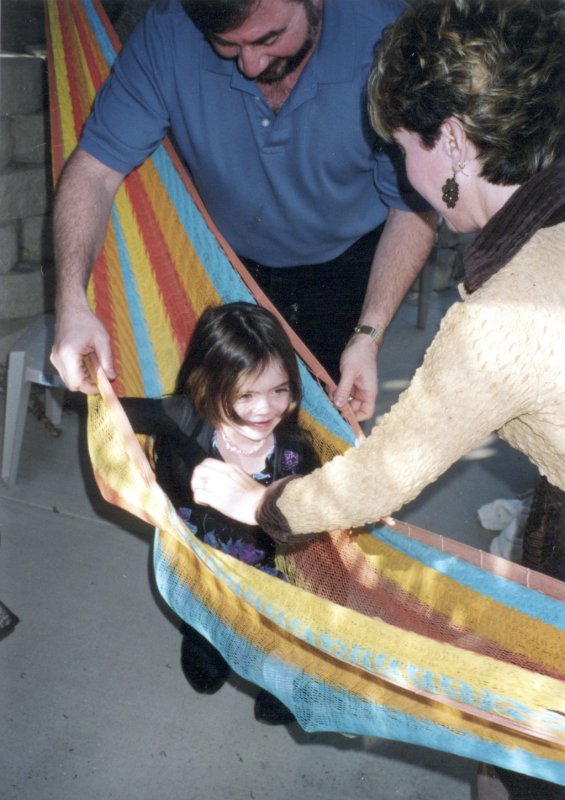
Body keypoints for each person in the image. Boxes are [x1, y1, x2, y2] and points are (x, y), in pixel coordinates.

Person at [191, 0, 565, 795]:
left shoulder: (500, 321)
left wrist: (262, 504)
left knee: (529, 754)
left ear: (453, 140)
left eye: (403, 148)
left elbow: (381, 477)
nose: (402, 176)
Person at [50, 0, 436, 421]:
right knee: (214, 422)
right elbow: (93, 171)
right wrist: (71, 301)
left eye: (270, 38)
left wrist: (369, 334)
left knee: (318, 428)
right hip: (224, 262)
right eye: (227, 44)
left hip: (348, 264)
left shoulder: (387, 37)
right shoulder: (170, 32)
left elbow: (413, 209)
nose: (250, 65)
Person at [121, 301, 319, 724]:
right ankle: (203, 642)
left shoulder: (293, 452)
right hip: (202, 564)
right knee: (205, 613)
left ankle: (278, 680)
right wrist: (84, 381)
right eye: (245, 394)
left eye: (279, 390)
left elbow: (317, 517)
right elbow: (113, 410)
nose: (265, 409)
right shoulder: (187, 418)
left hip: (270, 576)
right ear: (208, 386)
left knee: (275, 634)